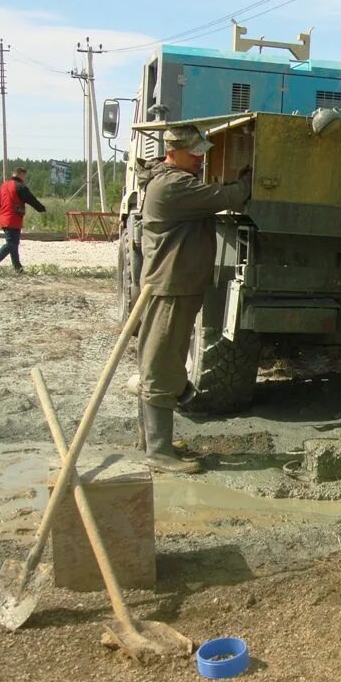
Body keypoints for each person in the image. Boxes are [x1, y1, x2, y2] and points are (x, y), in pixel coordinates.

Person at [135, 125, 251, 474]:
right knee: (161, 364)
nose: (201, 157)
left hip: (176, 286)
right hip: (169, 287)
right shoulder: (174, 186)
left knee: (161, 360)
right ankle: (158, 452)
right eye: (195, 152)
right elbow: (226, 198)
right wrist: (248, 180)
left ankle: (153, 441)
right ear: (174, 151)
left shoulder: (173, 179)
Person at [0, 167, 47, 272]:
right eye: (24, 176)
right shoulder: (20, 186)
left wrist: (3, 212)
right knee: (11, 244)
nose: (24, 178)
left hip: (4, 218)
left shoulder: (3, 185)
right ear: (20, 175)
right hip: (13, 219)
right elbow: (31, 199)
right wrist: (41, 209)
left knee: (13, 244)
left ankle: (17, 268)